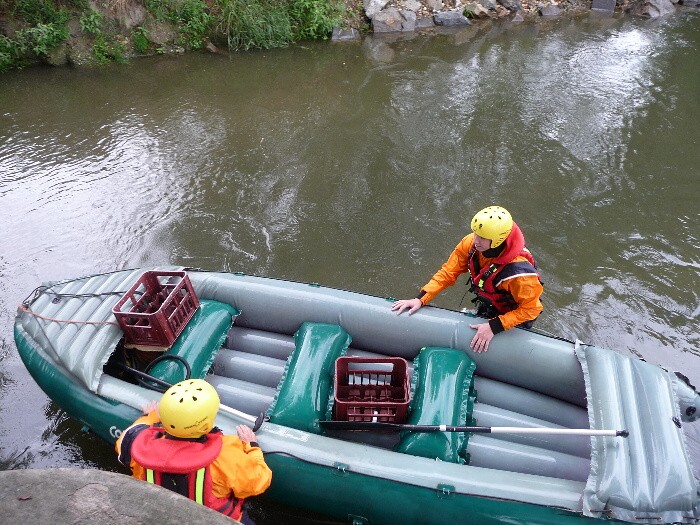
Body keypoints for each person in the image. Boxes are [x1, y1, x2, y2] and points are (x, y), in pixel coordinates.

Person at [116, 379, 272, 524]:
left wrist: (149, 417)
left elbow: (130, 434)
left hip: (159, 515)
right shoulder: (226, 453)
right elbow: (259, 481)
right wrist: (252, 446)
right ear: (206, 424)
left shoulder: (136, 443)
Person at [391, 205, 543, 353]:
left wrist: (495, 326)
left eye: (483, 238)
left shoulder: (519, 274)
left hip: (517, 314)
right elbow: (448, 272)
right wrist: (421, 298)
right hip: (491, 304)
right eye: (475, 233)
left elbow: (532, 309)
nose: (476, 240)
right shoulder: (471, 244)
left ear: (498, 240)